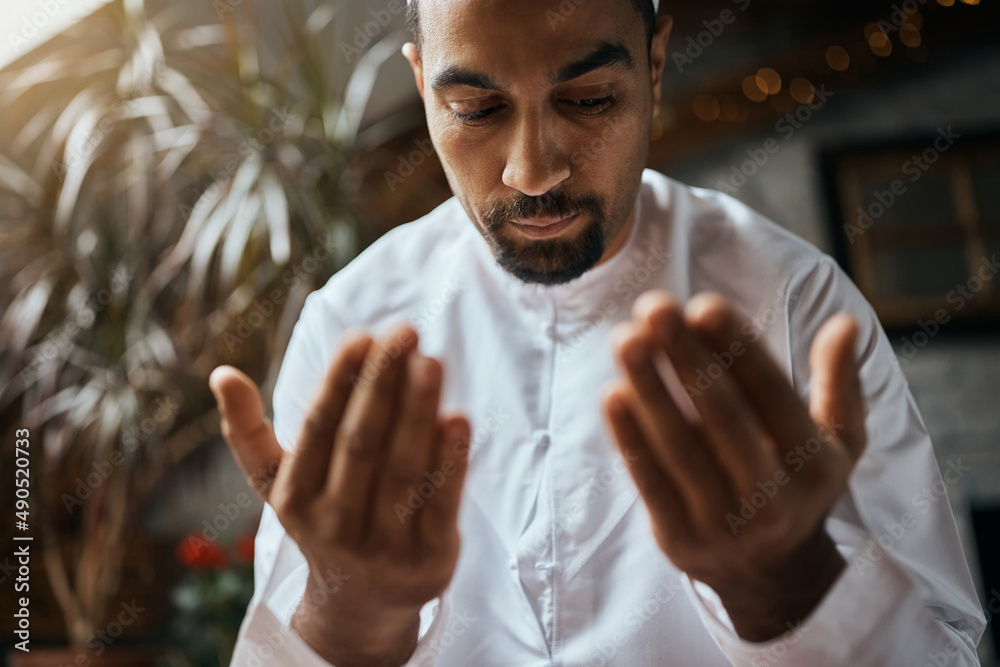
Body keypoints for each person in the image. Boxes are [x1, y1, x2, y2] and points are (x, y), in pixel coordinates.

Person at [209, 0, 987, 664]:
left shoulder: (794, 301)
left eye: (587, 99)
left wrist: (795, 593)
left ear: (654, 66)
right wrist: (348, 620)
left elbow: (946, 645)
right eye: (476, 109)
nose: (532, 170)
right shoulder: (351, 324)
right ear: (421, 85)